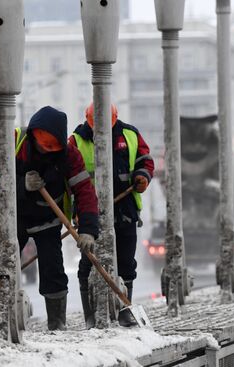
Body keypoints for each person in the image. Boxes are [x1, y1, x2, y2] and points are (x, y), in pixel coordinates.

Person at [0, 106, 98, 331]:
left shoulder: (69, 155)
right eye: (42, 145)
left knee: (53, 269)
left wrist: (88, 229)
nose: (46, 151)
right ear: (33, 134)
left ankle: (57, 322)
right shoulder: (14, 140)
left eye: (51, 147)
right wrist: (22, 183)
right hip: (12, 218)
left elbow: (84, 191)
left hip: (48, 219)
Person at [68, 102, 154, 328]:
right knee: (88, 263)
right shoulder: (76, 140)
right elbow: (67, 174)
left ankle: (126, 309)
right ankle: (90, 314)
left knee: (126, 261)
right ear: (88, 121)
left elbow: (145, 160)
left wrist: (143, 176)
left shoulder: (130, 135)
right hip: (90, 211)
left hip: (124, 207)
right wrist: (76, 214)